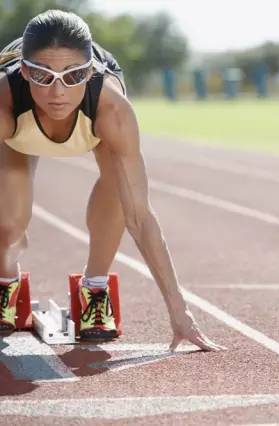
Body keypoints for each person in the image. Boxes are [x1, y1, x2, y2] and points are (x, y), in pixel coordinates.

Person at [0, 9, 224, 351]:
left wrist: (180, 312)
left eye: (73, 76)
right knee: (9, 224)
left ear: (89, 71)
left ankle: (95, 286)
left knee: (122, 192)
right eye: (44, 77)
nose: (58, 91)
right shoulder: (5, 102)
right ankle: (5, 278)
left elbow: (140, 217)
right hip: (18, 129)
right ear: (27, 72)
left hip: (92, 120)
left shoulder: (111, 109)